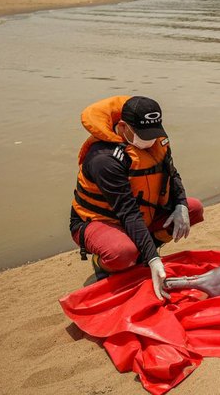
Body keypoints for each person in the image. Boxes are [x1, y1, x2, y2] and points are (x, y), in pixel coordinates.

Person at [69, 95, 204, 299]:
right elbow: (127, 211)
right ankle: (103, 263)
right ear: (123, 127)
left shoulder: (158, 142)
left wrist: (181, 205)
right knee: (122, 253)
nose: (150, 140)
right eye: (143, 135)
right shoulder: (104, 159)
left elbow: (172, 174)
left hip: (143, 214)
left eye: (153, 133)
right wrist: (153, 259)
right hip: (103, 220)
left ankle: (143, 249)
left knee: (193, 208)